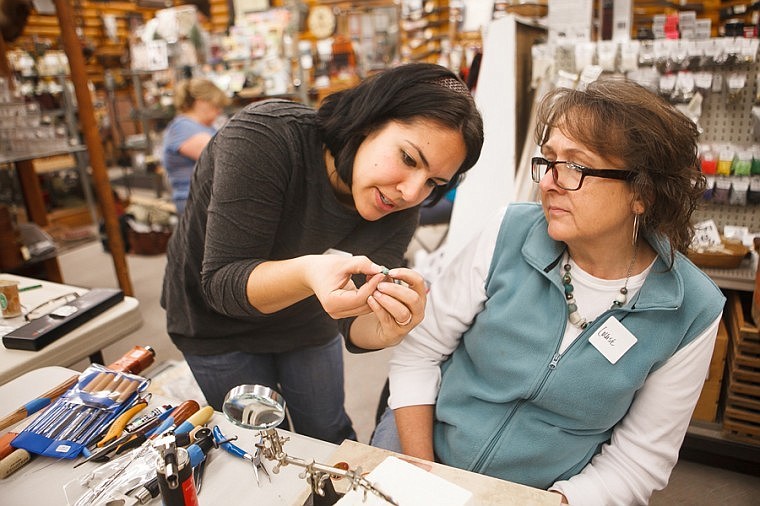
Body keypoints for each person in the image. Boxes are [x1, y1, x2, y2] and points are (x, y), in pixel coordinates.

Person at [372, 77, 724, 505]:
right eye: (549, 160)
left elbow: (638, 461)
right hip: (423, 447)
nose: (549, 182)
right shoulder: (509, 232)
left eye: (576, 166)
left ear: (643, 193)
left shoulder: (691, 311)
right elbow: (420, 351)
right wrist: (425, 475)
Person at [161, 63, 484, 444]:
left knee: (329, 434)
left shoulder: (399, 203)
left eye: (433, 182)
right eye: (409, 159)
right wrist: (309, 273)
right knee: (261, 443)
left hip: (306, 321)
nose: (411, 193)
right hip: (215, 326)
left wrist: (385, 330)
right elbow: (222, 283)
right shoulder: (265, 136)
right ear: (368, 122)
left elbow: (353, 322)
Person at [161, 78, 229, 214]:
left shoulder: (202, 127)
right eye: (216, 105)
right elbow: (225, 157)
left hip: (207, 201)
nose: (219, 111)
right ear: (201, 102)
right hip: (196, 204)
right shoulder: (183, 127)